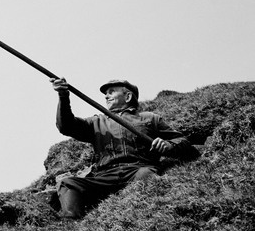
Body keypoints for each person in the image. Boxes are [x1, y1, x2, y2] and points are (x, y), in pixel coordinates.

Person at [49, 77, 193, 219]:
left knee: (146, 174)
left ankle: (145, 213)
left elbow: (182, 140)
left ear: (128, 96)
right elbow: (66, 126)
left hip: (137, 171)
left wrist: (168, 145)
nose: (106, 96)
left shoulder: (150, 118)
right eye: (106, 93)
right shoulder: (97, 122)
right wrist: (63, 95)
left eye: (111, 92)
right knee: (67, 183)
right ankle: (71, 222)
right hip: (104, 177)